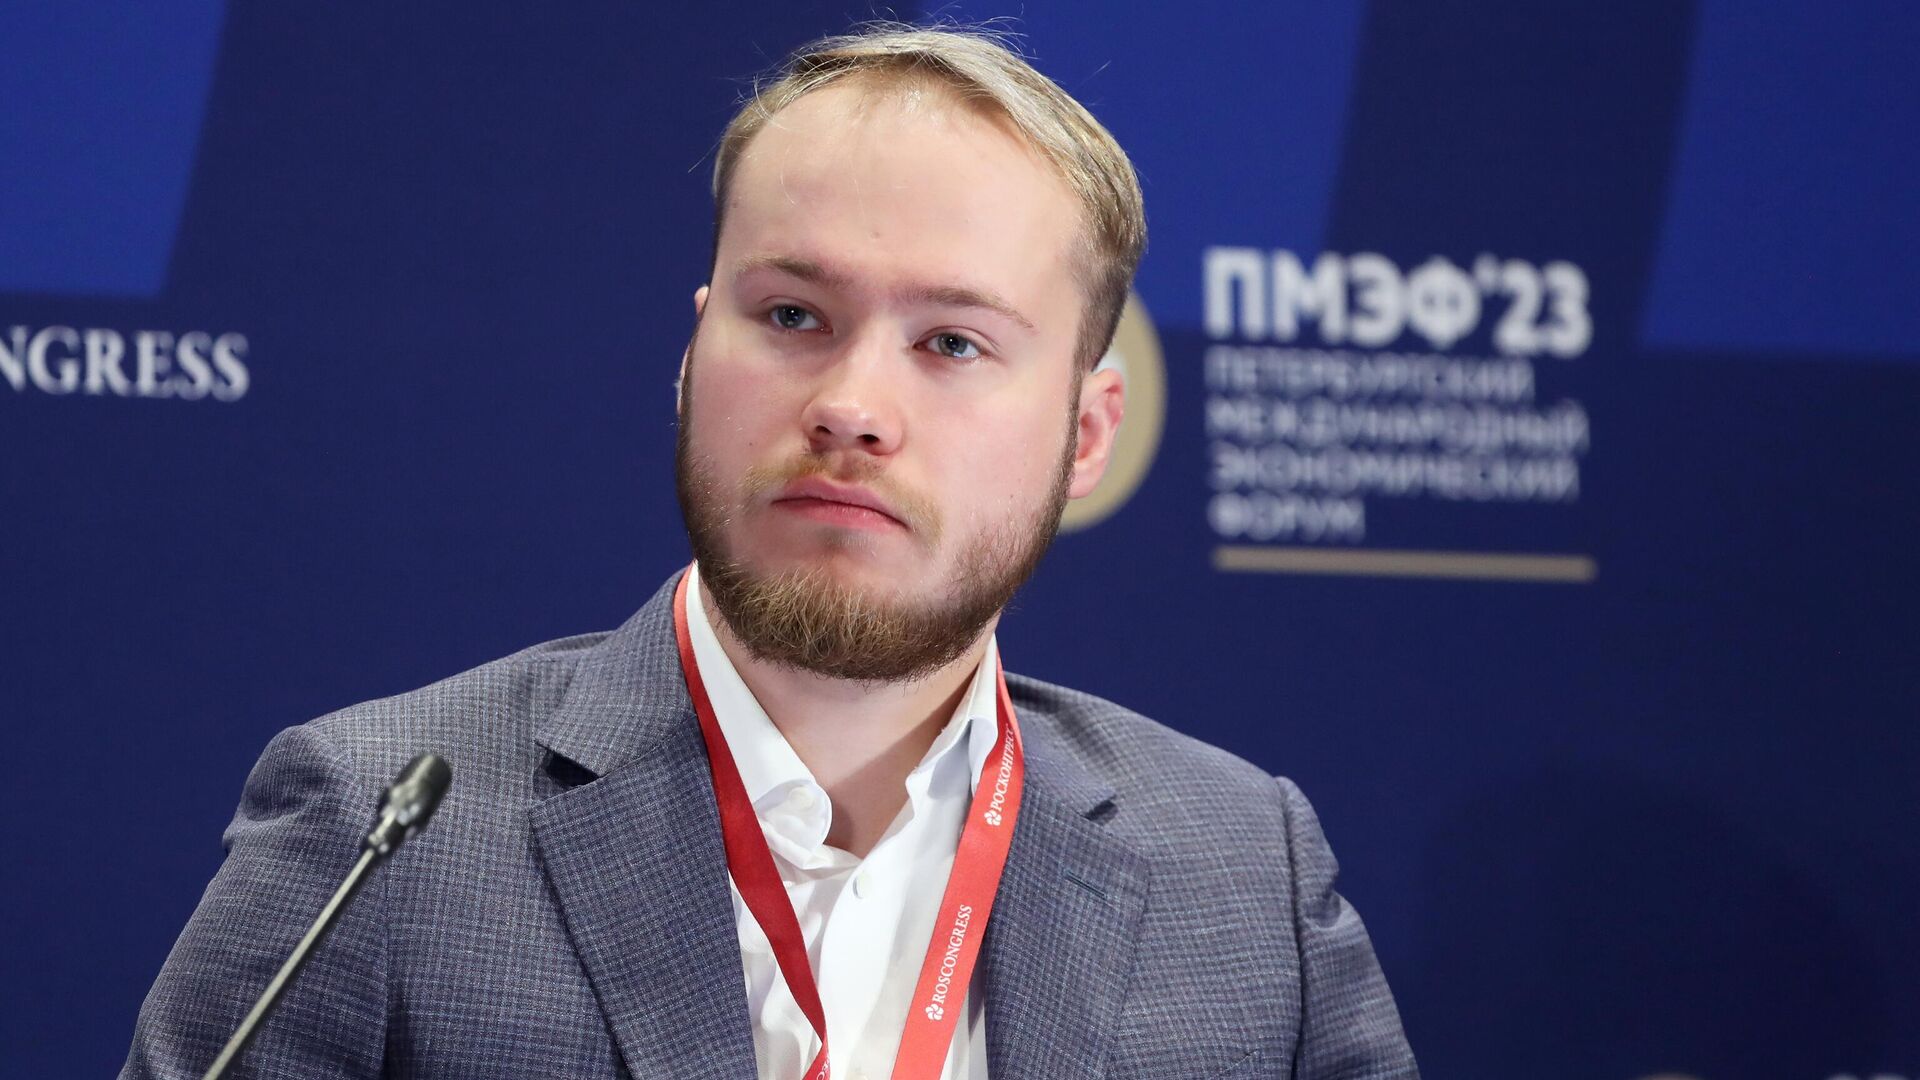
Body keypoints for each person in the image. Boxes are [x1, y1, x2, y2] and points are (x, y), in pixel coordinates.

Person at [123, 24, 1417, 1080]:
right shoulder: (385, 829)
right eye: (794, 315)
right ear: (695, 356)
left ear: (1084, 435)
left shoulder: (1245, 876)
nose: (851, 405)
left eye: (952, 342)